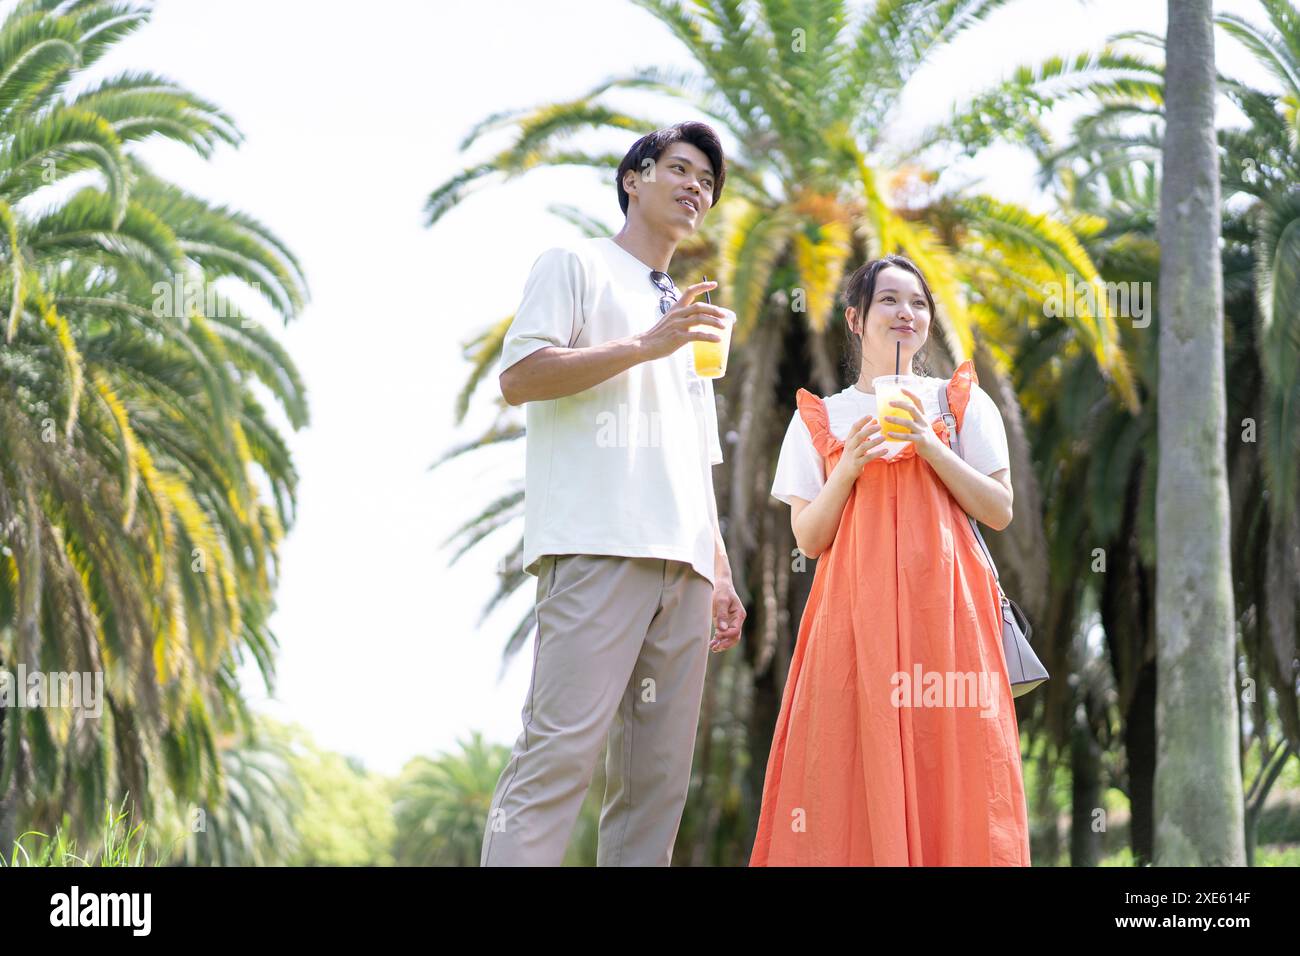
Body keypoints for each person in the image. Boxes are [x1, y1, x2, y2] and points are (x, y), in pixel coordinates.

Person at [481, 122, 748, 867]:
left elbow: (697, 457)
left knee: (658, 786)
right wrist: (643, 345)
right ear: (634, 178)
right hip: (598, 547)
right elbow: (519, 377)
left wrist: (719, 570)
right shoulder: (577, 263)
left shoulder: (684, 307)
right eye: (681, 169)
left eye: (708, 182)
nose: (697, 187)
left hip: (686, 568)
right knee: (557, 758)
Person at [750, 254, 1031, 866]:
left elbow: (1000, 507)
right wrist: (847, 466)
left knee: (956, 767)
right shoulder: (819, 419)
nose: (906, 313)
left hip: (949, 620)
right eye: (889, 301)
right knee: (848, 774)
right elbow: (809, 538)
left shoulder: (962, 403)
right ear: (855, 319)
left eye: (919, 303)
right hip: (854, 627)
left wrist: (931, 445)